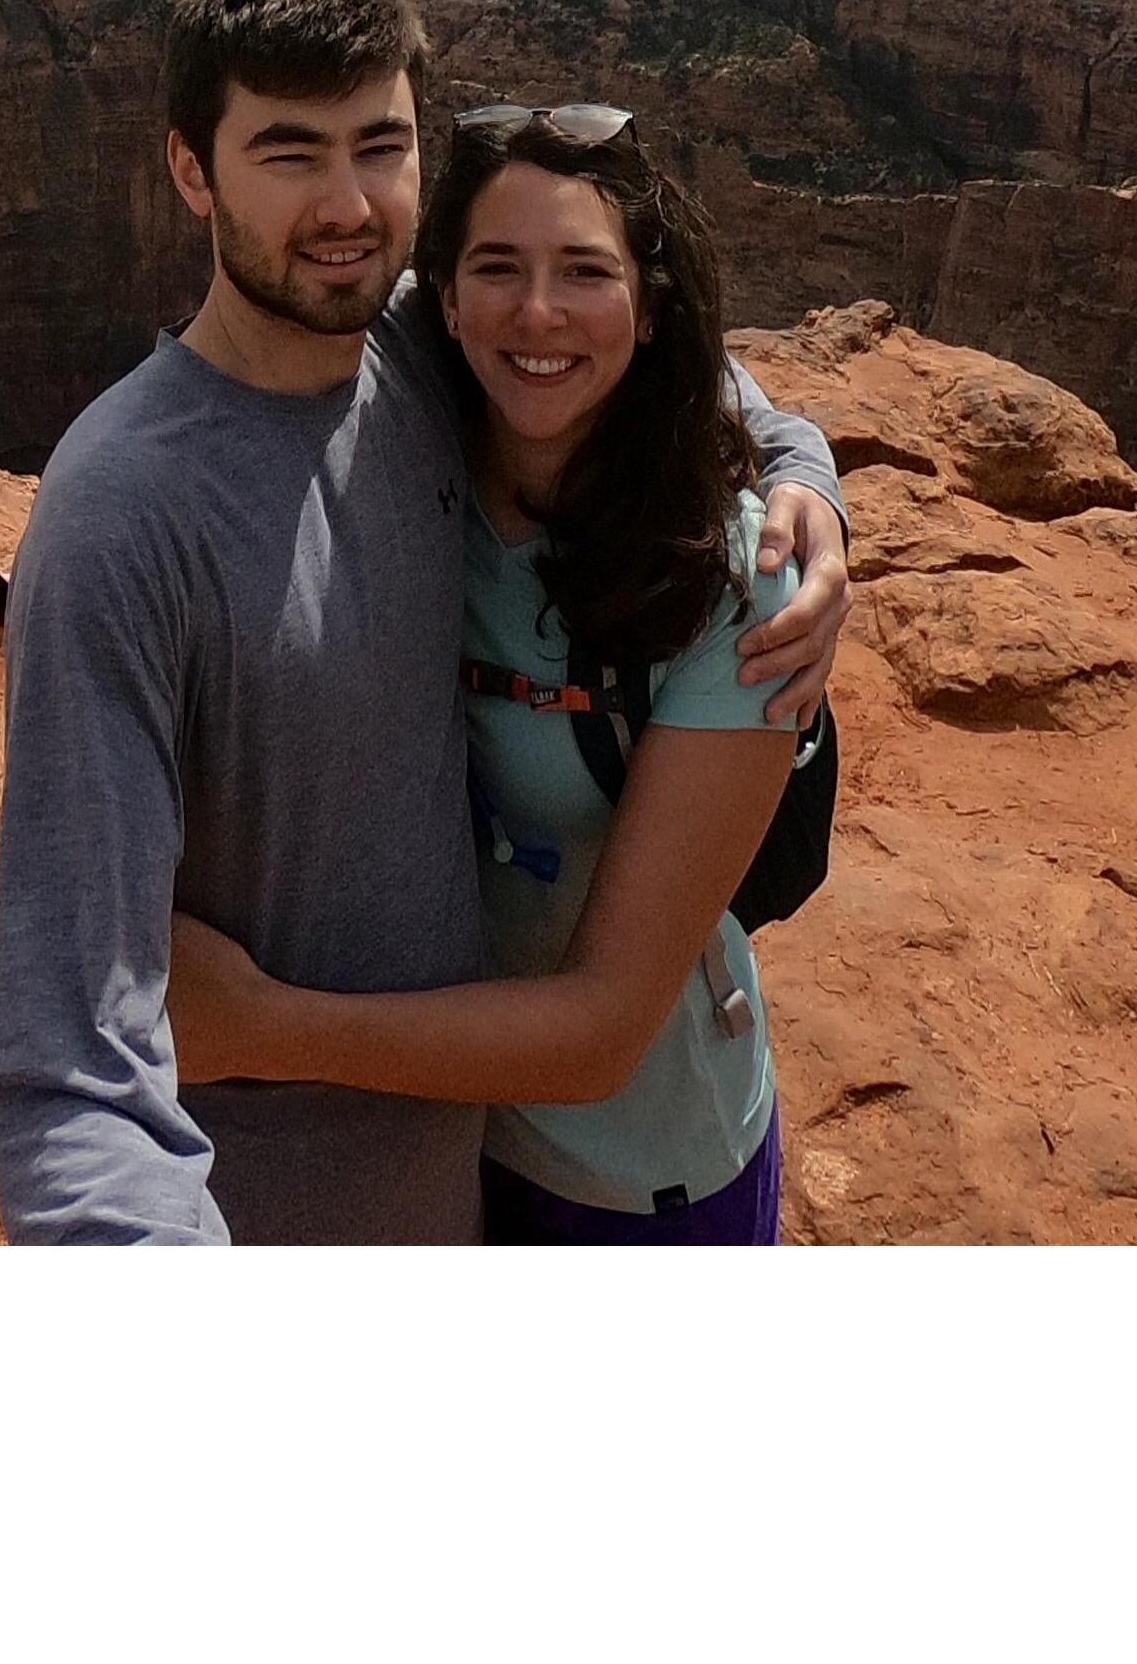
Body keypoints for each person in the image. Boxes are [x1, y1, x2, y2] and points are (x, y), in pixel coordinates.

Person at [0, 0, 849, 1244]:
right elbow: (71, 1070)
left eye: (378, 146)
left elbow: (630, 349)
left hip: (495, 1176)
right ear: (188, 169)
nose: (344, 203)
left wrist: (803, 471)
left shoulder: (412, 350)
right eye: (286, 153)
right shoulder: (117, 514)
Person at [162, 104, 803, 1242]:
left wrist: (257, 1026)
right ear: (441, 300)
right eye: (496, 268)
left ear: (649, 306)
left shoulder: (732, 583)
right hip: (421, 1155)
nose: (537, 312)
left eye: (586, 272)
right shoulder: (401, 453)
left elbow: (601, 1034)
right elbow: (227, 417)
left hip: (635, 1178)